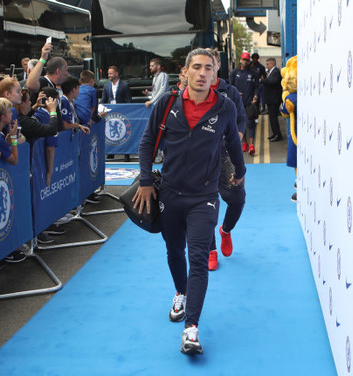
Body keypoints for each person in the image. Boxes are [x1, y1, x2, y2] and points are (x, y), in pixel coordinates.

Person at [134, 48, 246, 355]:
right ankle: (180, 292)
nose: (201, 73)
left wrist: (240, 173)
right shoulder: (167, 103)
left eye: (207, 68)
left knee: (198, 259)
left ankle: (191, 329)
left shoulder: (224, 107)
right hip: (170, 194)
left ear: (214, 74)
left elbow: (234, 144)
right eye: (195, 67)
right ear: (185, 72)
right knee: (174, 251)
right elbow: (146, 144)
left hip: (204, 197)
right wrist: (145, 181)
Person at [206, 48, 247, 271]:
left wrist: (236, 137)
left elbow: (241, 118)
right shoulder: (190, 93)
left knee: (238, 199)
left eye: (209, 65)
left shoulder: (229, 92)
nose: (205, 70)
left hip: (228, 153)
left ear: (217, 66)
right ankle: (211, 249)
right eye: (200, 65)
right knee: (206, 202)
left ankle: (226, 230)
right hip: (202, 157)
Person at [229, 51, 259, 154]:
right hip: (238, 103)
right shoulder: (234, 72)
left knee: (250, 123)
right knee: (242, 124)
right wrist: (236, 92)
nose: (245, 62)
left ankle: (251, 145)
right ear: (240, 60)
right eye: (244, 60)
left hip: (250, 102)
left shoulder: (253, 73)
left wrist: (255, 96)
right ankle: (244, 143)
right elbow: (230, 86)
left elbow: (256, 87)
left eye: (247, 60)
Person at [102, 65, 132, 161]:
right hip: (110, 114)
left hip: (122, 113)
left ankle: (126, 154)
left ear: (116, 74)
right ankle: (111, 153)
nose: (109, 75)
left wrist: (128, 111)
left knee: (123, 133)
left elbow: (128, 100)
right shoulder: (106, 86)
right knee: (110, 135)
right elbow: (103, 100)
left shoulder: (125, 85)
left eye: (111, 73)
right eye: (108, 74)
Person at [261, 57, 283, 142]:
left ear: (272, 64)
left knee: (273, 118)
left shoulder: (276, 72)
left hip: (274, 99)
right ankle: (275, 133)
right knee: (271, 118)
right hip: (271, 99)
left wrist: (263, 80)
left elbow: (272, 81)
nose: (266, 66)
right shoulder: (271, 72)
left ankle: (277, 135)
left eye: (267, 64)